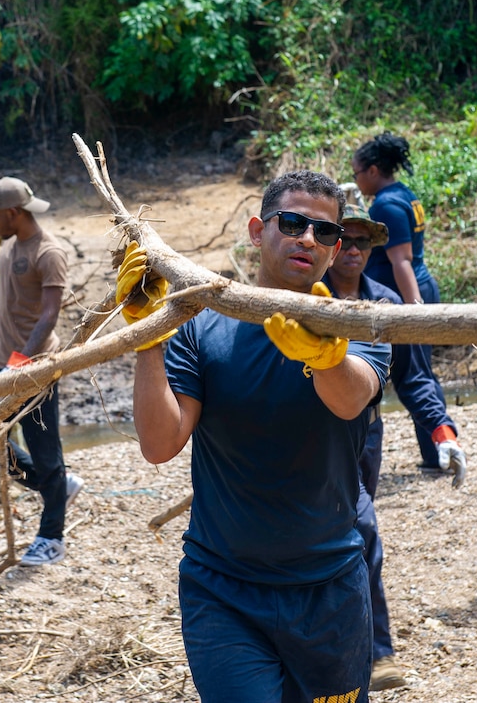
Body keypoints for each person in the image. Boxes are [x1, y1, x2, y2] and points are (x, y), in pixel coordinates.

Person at [125, 170, 391, 701]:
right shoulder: (202, 327)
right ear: (257, 231)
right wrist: (147, 335)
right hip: (223, 589)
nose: (308, 239)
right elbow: (160, 444)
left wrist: (323, 354)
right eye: (292, 223)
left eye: (326, 233)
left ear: (337, 250)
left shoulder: (361, 323)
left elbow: (350, 397)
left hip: (329, 587)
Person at [322, 203, 468, 691]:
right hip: (302, 433)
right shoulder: (302, 298)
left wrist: (442, 433)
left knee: (360, 534)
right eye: (348, 239)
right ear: (331, 242)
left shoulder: (385, 304)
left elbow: (415, 379)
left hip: (362, 436)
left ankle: (377, 651)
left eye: (366, 242)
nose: (357, 249)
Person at [0, 177, 84, 567]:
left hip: (32, 372)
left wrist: (21, 366)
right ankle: (57, 488)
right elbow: (11, 307)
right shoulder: (9, 249)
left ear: (14, 213)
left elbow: (49, 316)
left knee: (46, 454)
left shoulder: (48, 253)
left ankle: (52, 539)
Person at [352, 132, 451, 473]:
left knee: (411, 378)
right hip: (420, 287)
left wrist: (413, 309)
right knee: (422, 373)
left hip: (408, 294)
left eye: (357, 173)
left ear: (374, 170)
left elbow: (402, 260)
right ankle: (436, 450)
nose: (356, 179)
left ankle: (440, 448)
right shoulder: (404, 194)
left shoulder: (385, 205)